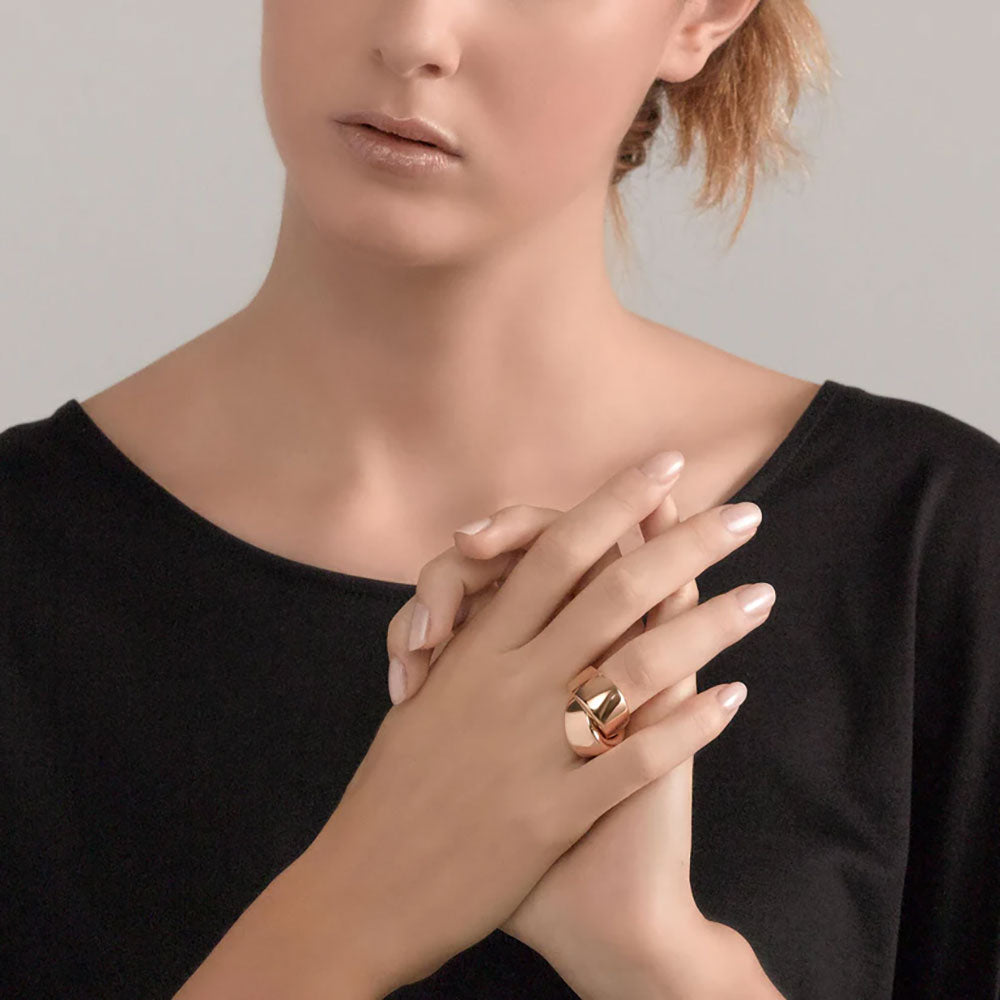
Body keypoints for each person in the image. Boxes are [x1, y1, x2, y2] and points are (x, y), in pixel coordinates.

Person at [2, 0, 998, 997]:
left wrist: (655, 960)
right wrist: (356, 903)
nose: (414, 37)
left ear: (700, 16)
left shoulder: (936, 547)